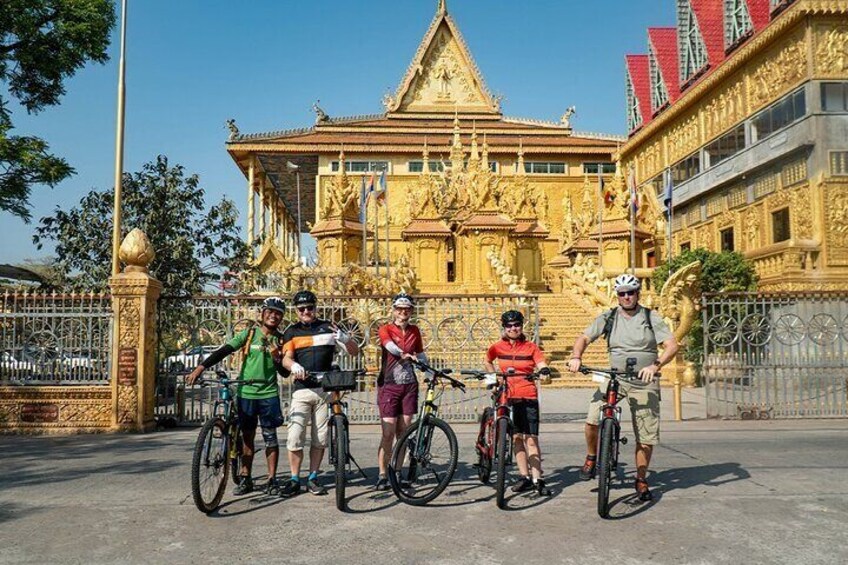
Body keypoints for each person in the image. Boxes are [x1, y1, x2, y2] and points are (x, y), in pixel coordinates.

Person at [567, 273, 679, 501]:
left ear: (637, 293)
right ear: (617, 296)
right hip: (615, 378)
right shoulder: (608, 317)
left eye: (630, 293)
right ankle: (591, 456)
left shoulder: (650, 317)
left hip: (643, 381)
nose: (626, 297)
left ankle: (640, 478)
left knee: (645, 435)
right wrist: (576, 356)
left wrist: (655, 365)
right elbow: (584, 338)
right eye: (622, 293)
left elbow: (671, 345)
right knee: (591, 420)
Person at [186, 296, 288, 495]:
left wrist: (277, 357)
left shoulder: (282, 339)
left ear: (281, 318)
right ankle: (245, 478)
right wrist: (201, 367)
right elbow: (224, 350)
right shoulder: (250, 334)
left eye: (278, 314)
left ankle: (271, 479)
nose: (273, 316)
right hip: (246, 393)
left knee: (270, 438)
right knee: (247, 438)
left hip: (268, 394)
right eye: (270, 312)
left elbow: (284, 373)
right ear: (262, 313)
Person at [279, 290, 360, 497]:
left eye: (310, 307)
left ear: (316, 307)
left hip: (326, 389)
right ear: (296, 311)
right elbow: (286, 359)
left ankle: (313, 477)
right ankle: (295, 478)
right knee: (295, 436)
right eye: (302, 309)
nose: (306, 311)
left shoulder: (329, 327)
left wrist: (344, 338)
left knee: (320, 437)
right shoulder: (291, 332)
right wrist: (294, 365)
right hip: (302, 389)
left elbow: (354, 351)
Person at [484, 310, 552, 496]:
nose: (513, 329)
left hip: (527, 395)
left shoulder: (531, 347)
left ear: (522, 326)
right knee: (516, 438)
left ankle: (538, 478)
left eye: (517, 325)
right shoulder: (497, 346)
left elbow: (541, 363)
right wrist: (493, 378)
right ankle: (524, 477)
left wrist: (544, 371)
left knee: (531, 439)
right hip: (507, 395)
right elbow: (488, 360)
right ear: (504, 328)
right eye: (509, 326)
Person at [374, 292, 427, 491]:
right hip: (389, 385)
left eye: (406, 309)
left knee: (403, 432)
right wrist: (403, 353)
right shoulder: (385, 328)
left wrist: (429, 371)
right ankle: (382, 473)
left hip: (409, 385)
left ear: (411, 311)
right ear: (394, 310)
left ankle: (397, 471)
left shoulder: (415, 331)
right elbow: (388, 346)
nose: (403, 312)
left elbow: (421, 354)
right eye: (399, 309)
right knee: (388, 433)